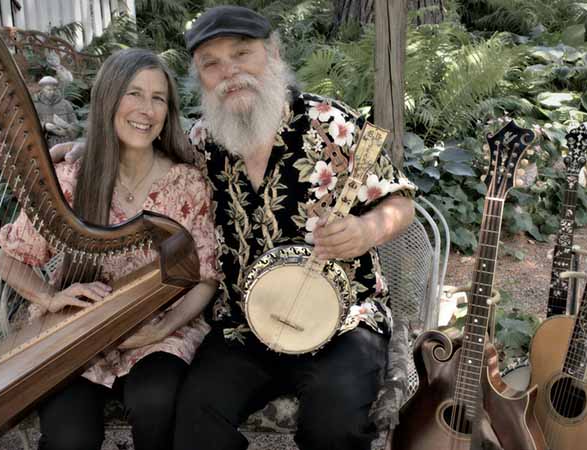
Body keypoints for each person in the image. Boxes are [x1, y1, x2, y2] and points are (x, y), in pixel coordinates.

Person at [175, 6, 415, 450]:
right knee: (194, 424)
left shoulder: (331, 125)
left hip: (343, 322)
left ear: (273, 53)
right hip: (244, 325)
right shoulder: (203, 143)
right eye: (212, 63)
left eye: (242, 53)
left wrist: (366, 231)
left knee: (335, 426)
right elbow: (143, 157)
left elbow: (400, 202)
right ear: (199, 76)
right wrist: (82, 149)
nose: (230, 72)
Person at [0, 48, 220, 450]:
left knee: (155, 403)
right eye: (133, 94)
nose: (146, 109)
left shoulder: (187, 183)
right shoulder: (70, 179)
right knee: (69, 439)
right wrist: (49, 297)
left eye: (158, 98)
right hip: (77, 331)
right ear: (108, 99)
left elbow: (205, 276)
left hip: (160, 331)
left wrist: (164, 327)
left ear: (168, 112)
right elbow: (8, 260)